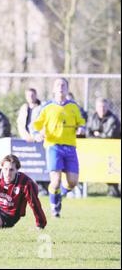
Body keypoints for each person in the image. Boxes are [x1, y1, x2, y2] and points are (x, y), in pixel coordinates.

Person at [33, 78, 86, 218]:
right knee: (55, 181)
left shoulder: (74, 107)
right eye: (58, 85)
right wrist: (37, 134)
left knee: (72, 182)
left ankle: (58, 195)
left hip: (70, 147)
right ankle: (54, 208)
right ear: (53, 89)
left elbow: (82, 122)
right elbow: (35, 125)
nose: (61, 87)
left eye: (63, 85)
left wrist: (81, 128)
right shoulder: (47, 106)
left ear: (67, 89)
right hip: (53, 146)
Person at [86, 97, 121, 197]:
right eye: (100, 107)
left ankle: (114, 190)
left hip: (111, 153)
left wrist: (97, 134)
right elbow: (88, 134)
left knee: (112, 176)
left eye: (104, 106)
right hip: (95, 151)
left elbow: (109, 135)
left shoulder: (113, 119)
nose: (102, 109)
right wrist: (97, 135)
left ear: (108, 107)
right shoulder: (92, 118)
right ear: (96, 108)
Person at [16, 88, 48, 196]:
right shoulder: (23, 108)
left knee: (41, 164)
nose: (30, 97)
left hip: (40, 140)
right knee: (28, 165)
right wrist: (26, 136)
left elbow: (45, 123)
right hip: (27, 140)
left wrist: (39, 135)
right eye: (28, 95)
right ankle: (26, 188)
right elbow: (20, 124)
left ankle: (43, 188)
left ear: (36, 95)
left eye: (32, 95)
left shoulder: (42, 107)